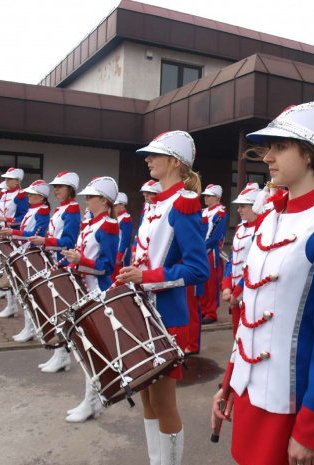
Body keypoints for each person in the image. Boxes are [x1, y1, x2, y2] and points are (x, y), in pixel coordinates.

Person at [211, 102, 314, 465]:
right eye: (269, 148)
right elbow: (251, 314)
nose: (268, 158)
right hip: (248, 390)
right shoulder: (268, 220)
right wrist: (229, 381)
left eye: (280, 147)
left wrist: (311, 429)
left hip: (290, 399)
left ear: (310, 155)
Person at [117, 130, 209, 465]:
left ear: (173, 162)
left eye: (154, 155)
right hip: (140, 313)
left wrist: (149, 277)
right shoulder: (157, 204)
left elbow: (199, 269)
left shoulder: (183, 205)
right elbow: (146, 257)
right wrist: (130, 276)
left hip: (167, 318)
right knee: (146, 399)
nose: (147, 160)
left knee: (164, 402)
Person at [62, 176, 120, 423]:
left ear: (104, 200)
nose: (86, 201)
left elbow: (107, 267)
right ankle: (90, 402)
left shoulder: (108, 226)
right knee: (86, 348)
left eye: (91, 197)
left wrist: (80, 262)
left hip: (98, 293)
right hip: (84, 291)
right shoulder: (89, 224)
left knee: (93, 349)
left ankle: (92, 402)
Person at [28, 171, 82, 372]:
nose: (55, 189)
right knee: (54, 311)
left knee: (60, 312)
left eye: (60, 186)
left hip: (61, 264)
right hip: (53, 261)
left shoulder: (73, 209)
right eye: (55, 186)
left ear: (70, 189)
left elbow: (69, 242)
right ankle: (59, 355)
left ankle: (63, 356)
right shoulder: (62, 208)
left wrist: (45, 241)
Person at [0, 180, 51, 342]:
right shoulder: (33, 209)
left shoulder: (42, 210)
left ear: (41, 197)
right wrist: (15, 233)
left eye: (33, 194)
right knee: (24, 290)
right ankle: (27, 326)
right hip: (25, 251)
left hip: (33, 254)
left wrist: (15, 232)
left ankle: (31, 328)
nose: (29, 196)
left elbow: (37, 232)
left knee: (30, 292)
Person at [0, 167, 29, 318]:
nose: (6, 181)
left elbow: (25, 217)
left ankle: (13, 306)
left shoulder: (21, 196)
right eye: (6, 179)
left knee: (12, 271)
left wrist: (8, 221)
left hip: (13, 237)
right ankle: (11, 305)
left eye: (10, 179)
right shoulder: (5, 195)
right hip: (2, 235)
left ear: (17, 181)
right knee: (4, 269)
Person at [221, 183, 261, 337]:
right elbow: (232, 259)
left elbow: (254, 265)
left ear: (255, 206)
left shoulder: (261, 229)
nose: (239, 210)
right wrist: (226, 286)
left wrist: (237, 292)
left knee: (248, 334)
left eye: (243, 206)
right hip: (235, 293)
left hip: (249, 291)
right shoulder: (240, 227)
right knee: (236, 334)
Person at [200, 184, 227, 324]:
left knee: (212, 283)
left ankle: (211, 312)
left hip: (212, 252)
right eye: (205, 195)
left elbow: (216, 235)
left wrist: (204, 248)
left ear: (217, 197)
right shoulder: (203, 211)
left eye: (209, 196)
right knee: (202, 282)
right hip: (201, 250)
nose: (205, 198)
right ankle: (203, 310)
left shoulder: (221, 211)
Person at [114, 192, 133, 270]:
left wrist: (120, 256)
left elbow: (126, 239)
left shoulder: (126, 218)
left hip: (120, 253)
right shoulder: (115, 216)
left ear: (122, 204)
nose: (113, 207)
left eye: (115, 205)